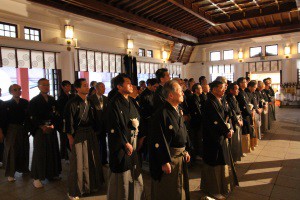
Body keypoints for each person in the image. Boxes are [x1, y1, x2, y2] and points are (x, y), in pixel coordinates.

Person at [149, 80, 191, 200]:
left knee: (179, 187)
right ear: (171, 95)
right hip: (169, 157)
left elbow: (182, 133)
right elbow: (158, 139)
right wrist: (164, 161)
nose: (183, 93)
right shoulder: (161, 113)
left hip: (180, 154)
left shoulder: (177, 110)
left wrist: (186, 150)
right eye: (180, 91)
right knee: (168, 189)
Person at [106, 74, 144, 200]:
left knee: (134, 170)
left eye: (131, 83)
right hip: (121, 144)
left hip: (133, 139)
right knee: (122, 171)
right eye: (128, 83)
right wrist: (124, 143)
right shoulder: (114, 103)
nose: (131, 85)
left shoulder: (131, 101)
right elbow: (113, 126)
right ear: (119, 86)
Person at [65, 78, 104, 198]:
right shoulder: (72, 103)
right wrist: (70, 137)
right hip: (78, 133)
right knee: (79, 162)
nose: (87, 87)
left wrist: (97, 131)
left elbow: (95, 118)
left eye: (87, 85)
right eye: (84, 85)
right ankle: (75, 190)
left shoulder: (90, 101)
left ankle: (90, 186)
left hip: (90, 133)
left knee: (92, 159)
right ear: (77, 88)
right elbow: (68, 122)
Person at [200, 81, 234, 199]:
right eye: (221, 88)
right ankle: (213, 190)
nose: (224, 90)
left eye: (224, 88)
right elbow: (216, 119)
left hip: (219, 135)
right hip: (212, 137)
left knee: (219, 161)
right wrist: (226, 131)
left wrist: (229, 128)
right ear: (214, 89)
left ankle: (216, 187)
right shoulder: (209, 102)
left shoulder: (219, 100)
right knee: (213, 163)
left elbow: (226, 115)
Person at [29, 78, 61, 188]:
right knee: (40, 152)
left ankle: (51, 174)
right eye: (44, 85)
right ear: (38, 86)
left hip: (51, 129)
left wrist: (53, 125)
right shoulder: (34, 101)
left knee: (52, 150)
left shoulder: (52, 100)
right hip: (40, 130)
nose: (46, 87)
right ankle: (36, 177)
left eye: (48, 85)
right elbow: (32, 117)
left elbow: (57, 114)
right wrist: (41, 126)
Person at [1, 84, 30, 182]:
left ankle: (24, 168)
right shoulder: (6, 104)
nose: (18, 91)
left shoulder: (25, 102)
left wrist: (29, 128)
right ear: (11, 92)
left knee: (24, 147)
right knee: (11, 149)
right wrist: (2, 132)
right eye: (15, 90)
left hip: (23, 128)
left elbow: (28, 117)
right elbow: (2, 119)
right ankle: (10, 173)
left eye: (19, 89)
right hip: (11, 129)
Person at [138, 78, 158, 160]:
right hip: (147, 120)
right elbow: (145, 109)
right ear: (149, 85)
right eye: (154, 86)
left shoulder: (154, 93)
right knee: (146, 140)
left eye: (156, 87)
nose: (155, 88)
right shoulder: (144, 95)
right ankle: (144, 156)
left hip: (153, 119)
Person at [88, 82, 108, 165]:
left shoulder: (106, 98)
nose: (104, 89)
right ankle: (95, 160)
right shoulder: (90, 99)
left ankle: (104, 160)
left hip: (104, 125)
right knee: (95, 144)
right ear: (96, 89)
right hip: (95, 125)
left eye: (104, 87)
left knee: (103, 143)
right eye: (102, 87)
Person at [57, 80, 74, 162]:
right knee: (64, 139)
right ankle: (64, 155)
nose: (68, 87)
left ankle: (69, 155)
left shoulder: (72, 96)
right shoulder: (61, 98)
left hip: (71, 120)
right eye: (66, 86)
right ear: (63, 87)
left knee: (70, 139)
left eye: (69, 86)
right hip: (63, 121)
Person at [226, 83, 243, 162]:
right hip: (234, 120)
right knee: (235, 140)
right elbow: (232, 111)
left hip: (238, 118)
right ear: (231, 90)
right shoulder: (229, 98)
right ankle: (233, 158)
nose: (238, 90)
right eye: (236, 89)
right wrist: (237, 120)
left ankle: (237, 156)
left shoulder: (234, 97)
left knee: (238, 138)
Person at [236, 77, 253, 155]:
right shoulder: (239, 93)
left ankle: (246, 148)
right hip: (243, 114)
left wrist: (250, 108)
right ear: (240, 83)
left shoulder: (244, 92)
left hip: (247, 113)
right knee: (243, 131)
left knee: (247, 130)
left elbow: (247, 102)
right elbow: (242, 105)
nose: (246, 83)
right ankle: (242, 149)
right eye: (245, 82)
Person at [188, 83, 203, 158]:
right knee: (197, 138)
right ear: (196, 90)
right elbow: (198, 110)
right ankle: (197, 154)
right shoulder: (194, 98)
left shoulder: (198, 97)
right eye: (200, 88)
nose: (201, 89)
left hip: (198, 121)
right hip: (196, 122)